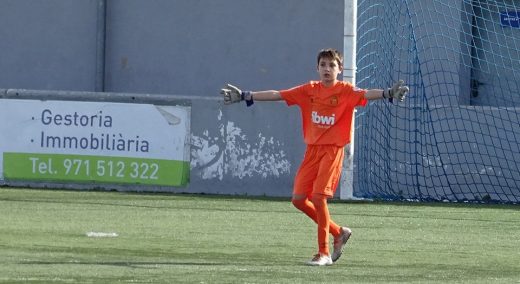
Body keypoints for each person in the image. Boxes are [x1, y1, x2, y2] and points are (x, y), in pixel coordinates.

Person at [220, 48, 408, 266]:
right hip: (312, 151)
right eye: (323, 65)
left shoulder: (346, 90)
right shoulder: (308, 90)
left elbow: (366, 93)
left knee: (319, 197)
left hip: (332, 150)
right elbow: (278, 94)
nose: (327, 69)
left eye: (331, 65)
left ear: (339, 69)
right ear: (317, 68)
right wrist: (246, 95)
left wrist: (387, 93)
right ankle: (339, 232)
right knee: (299, 200)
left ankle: (324, 253)